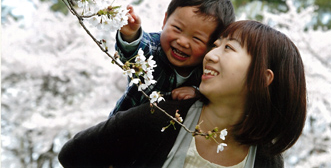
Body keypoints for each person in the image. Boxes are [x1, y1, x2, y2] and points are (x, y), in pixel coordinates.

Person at [58, 20, 307, 168]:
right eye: (215, 45)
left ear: (263, 79)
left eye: (229, 47)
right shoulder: (165, 117)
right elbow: (74, 154)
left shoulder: (265, 160)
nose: (210, 55)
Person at [108, 0, 235, 116]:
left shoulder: (206, 71)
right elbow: (136, 50)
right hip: (122, 127)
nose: (182, 42)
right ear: (165, 20)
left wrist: (198, 93)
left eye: (197, 38)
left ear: (212, 45)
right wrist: (131, 35)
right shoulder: (155, 48)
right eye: (177, 29)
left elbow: (220, 93)